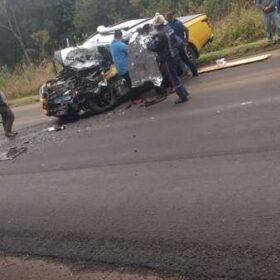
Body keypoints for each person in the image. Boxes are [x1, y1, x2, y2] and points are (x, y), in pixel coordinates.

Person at [147, 13, 190, 104]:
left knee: (173, 78)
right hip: (174, 55)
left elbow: (155, 48)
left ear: (157, 25)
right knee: (175, 76)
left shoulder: (160, 35)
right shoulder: (169, 29)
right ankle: (184, 92)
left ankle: (182, 96)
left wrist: (149, 44)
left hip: (167, 58)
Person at [165, 11, 198, 77]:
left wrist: (186, 40)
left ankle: (194, 72)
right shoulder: (168, 24)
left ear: (170, 17)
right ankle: (188, 72)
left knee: (185, 59)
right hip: (175, 45)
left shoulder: (178, 23)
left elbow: (186, 30)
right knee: (180, 59)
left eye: (166, 18)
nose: (166, 19)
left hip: (180, 44)